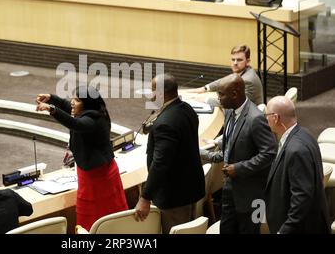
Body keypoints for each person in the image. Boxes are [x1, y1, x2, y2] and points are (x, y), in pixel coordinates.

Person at [36, 86, 128, 231]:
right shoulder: (91, 111)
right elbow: (70, 108)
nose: (72, 102)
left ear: (86, 104)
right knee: (90, 222)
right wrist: (52, 98)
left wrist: (52, 109)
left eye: (77, 100)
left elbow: (75, 124)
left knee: (107, 220)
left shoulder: (94, 121)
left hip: (101, 178)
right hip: (90, 174)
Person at [200, 74, 276, 234]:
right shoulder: (229, 112)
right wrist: (199, 152)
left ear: (234, 94)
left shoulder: (255, 119)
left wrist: (240, 168)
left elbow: (269, 153)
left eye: (221, 94)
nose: (218, 98)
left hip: (251, 195)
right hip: (229, 190)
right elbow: (229, 149)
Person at [134, 74, 205, 234]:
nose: (150, 94)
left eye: (152, 90)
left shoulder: (165, 123)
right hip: (191, 187)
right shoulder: (187, 109)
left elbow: (160, 164)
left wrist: (145, 197)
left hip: (175, 196)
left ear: (160, 93)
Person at [264, 96, 331, 234]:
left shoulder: (296, 150)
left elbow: (302, 198)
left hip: (302, 228)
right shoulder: (305, 133)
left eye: (266, 115)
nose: (265, 119)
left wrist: (285, 230)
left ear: (275, 118)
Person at [185, 44, 263, 105]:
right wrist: (204, 88)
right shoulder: (243, 71)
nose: (235, 63)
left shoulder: (248, 80)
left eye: (239, 60)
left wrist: (206, 99)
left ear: (248, 61)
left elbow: (235, 103)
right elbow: (222, 81)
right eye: (233, 59)